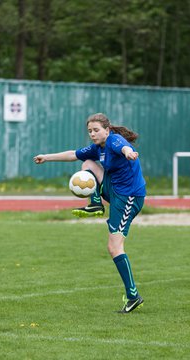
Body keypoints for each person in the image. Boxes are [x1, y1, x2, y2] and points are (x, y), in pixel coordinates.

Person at [34, 112, 146, 312]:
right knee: (86, 164)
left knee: (114, 248)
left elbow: (124, 147)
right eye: (90, 131)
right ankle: (95, 202)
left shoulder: (114, 141)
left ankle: (133, 295)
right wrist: (47, 157)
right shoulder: (98, 148)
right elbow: (72, 154)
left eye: (96, 130)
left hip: (129, 197)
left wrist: (129, 152)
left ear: (107, 130)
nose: (92, 134)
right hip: (115, 191)